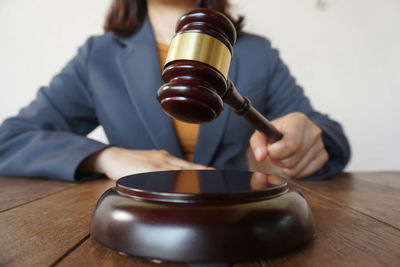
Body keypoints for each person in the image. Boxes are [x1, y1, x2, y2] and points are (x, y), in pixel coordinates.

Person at [0, 0, 350, 182]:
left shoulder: (257, 53)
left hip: (235, 228)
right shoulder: (99, 56)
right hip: (135, 230)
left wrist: (310, 138)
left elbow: (328, 137)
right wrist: (105, 157)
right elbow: (10, 140)